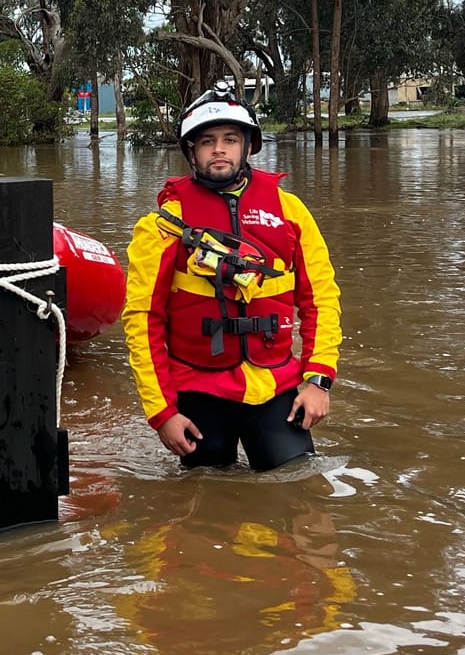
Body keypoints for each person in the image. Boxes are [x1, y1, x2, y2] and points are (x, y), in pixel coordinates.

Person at [123, 85, 342, 471]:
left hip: (276, 389)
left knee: (300, 491)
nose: (219, 149)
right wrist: (162, 412)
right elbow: (142, 320)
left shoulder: (290, 212)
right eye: (207, 141)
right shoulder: (162, 225)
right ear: (192, 151)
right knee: (204, 505)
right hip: (198, 389)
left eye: (229, 139)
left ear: (248, 147)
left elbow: (320, 298)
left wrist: (318, 381)